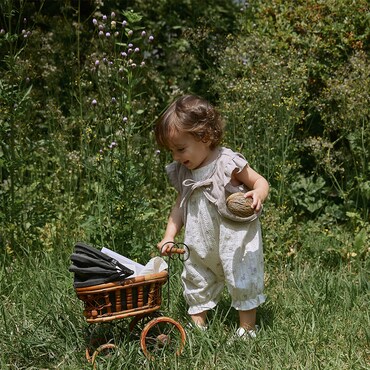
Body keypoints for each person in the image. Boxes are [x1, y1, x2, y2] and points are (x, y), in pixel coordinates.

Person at [154, 94, 269, 338]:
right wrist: (169, 235)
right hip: (200, 238)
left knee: (241, 273)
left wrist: (258, 193)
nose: (175, 156)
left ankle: (247, 329)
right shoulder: (185, 170)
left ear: (204, 137)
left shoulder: (227, 162)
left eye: (180, 148)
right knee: (196, 273)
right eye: (171, 151)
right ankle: (198, 327)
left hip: (234, 238)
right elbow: (179, 206)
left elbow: (259, 180)